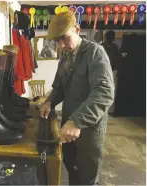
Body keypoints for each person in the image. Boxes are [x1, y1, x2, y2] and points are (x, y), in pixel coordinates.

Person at [40, 11, 114, 185]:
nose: (61, 45)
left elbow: (104, 92)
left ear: (77, 29)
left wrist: (77, 121)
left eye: (65, 38)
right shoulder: (65, 56)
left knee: (87, 175)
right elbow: (59, 87)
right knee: (70, 165)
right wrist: (50, 101)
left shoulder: (95, 53)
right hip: (68, 123)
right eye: (57, 41)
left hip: (89, 128)